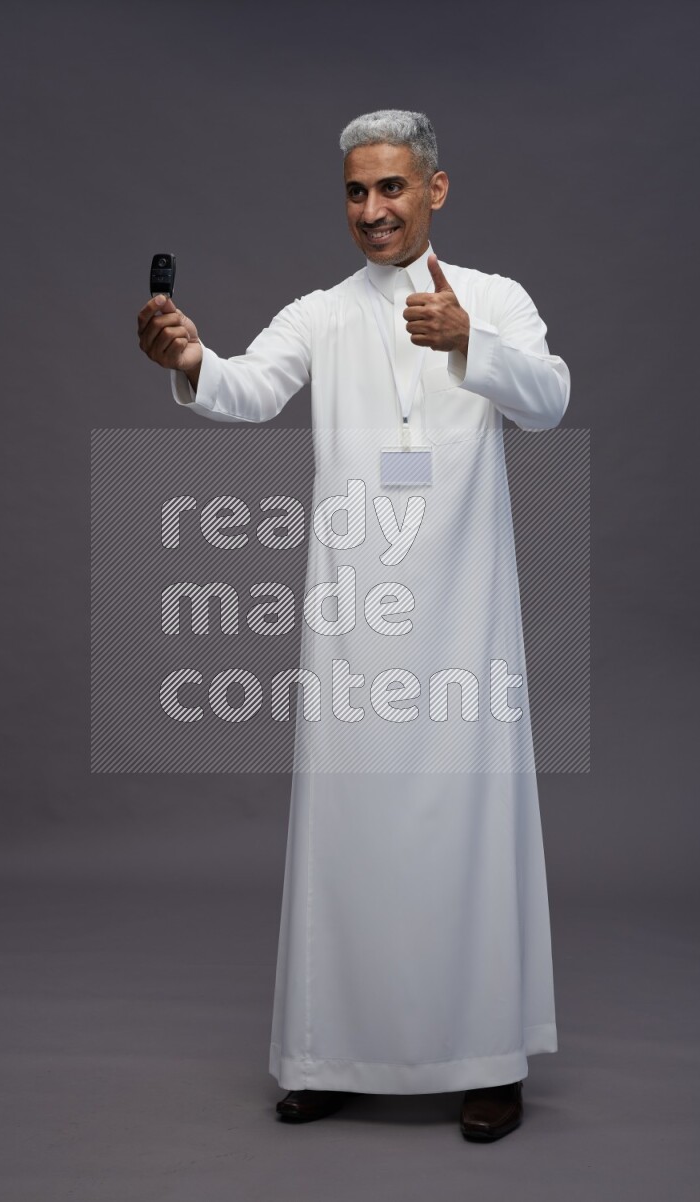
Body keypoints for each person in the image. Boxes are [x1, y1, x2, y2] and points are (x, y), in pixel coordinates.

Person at [137, 109, 571, 1142]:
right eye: (353, 192)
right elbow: (248, 389)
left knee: (467, 836)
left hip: (465, 624)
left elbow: (550, 398)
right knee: (349, 838)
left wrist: (472, 341)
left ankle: (485, 1061)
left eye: (389, 188)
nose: (371, 210)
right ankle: (331, 1055)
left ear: (434, 189)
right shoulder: (322, 314)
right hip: (355, 626)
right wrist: (192, 356)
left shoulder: (495, 298)